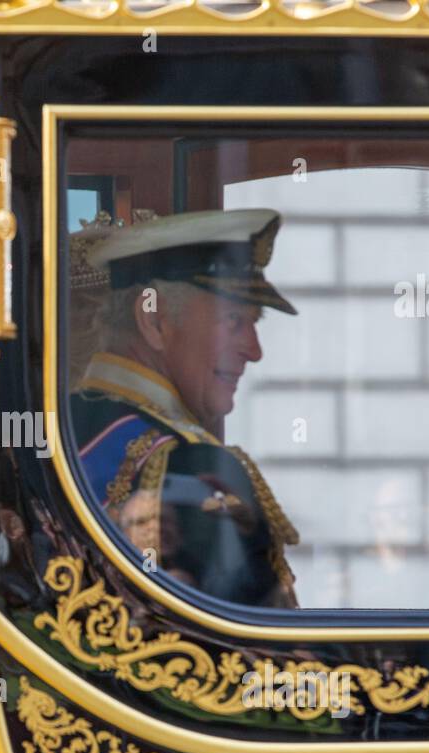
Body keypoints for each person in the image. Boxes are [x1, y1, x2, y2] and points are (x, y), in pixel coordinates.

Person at [69, 208, 301, 608]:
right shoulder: (192, 464)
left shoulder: (56, 424)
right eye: (233, 320)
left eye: (254, 322)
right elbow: (264, 649)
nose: (254, 350)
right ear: (155, 319)